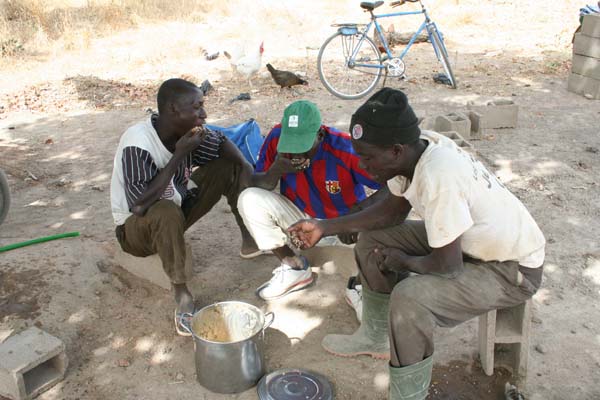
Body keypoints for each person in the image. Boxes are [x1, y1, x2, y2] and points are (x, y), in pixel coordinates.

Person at [288, 88, 545, 400]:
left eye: (368, 158)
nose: (363, 167)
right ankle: (376, 336)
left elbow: (446, 266)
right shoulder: (415, 148)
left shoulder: (439, 175)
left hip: (511, 269)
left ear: (395, 151)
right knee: (371, 241)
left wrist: (404, 262)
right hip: (471, 243)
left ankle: (409, 395)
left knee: (410, 298)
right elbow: (391, 212)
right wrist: (323, 226)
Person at [110, 78, 257, 335]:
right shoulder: (138, 142)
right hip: (136, 229)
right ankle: (181, 292)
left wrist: (245, 165)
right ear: (173, 109)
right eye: (197, 107)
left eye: (203, 105)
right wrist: (179, 154)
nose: (204, 113)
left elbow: (221, 142)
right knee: (164, 209)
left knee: (227, 165)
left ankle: (249, 238)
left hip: (176, 210)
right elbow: (139, 204)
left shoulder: (189, 132)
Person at [237, 100, 383, 300]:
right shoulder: (276, 139)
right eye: (292, 144)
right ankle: (293, 267)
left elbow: (391, 186)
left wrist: (357, 214)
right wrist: (276, 170)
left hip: (342, 227)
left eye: (304, 145)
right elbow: (254, 183)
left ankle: (360, 288)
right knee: (249, 198)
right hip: (299, 222)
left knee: (379, 249)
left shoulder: (346, 149)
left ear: (320, 135)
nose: (297, 152)